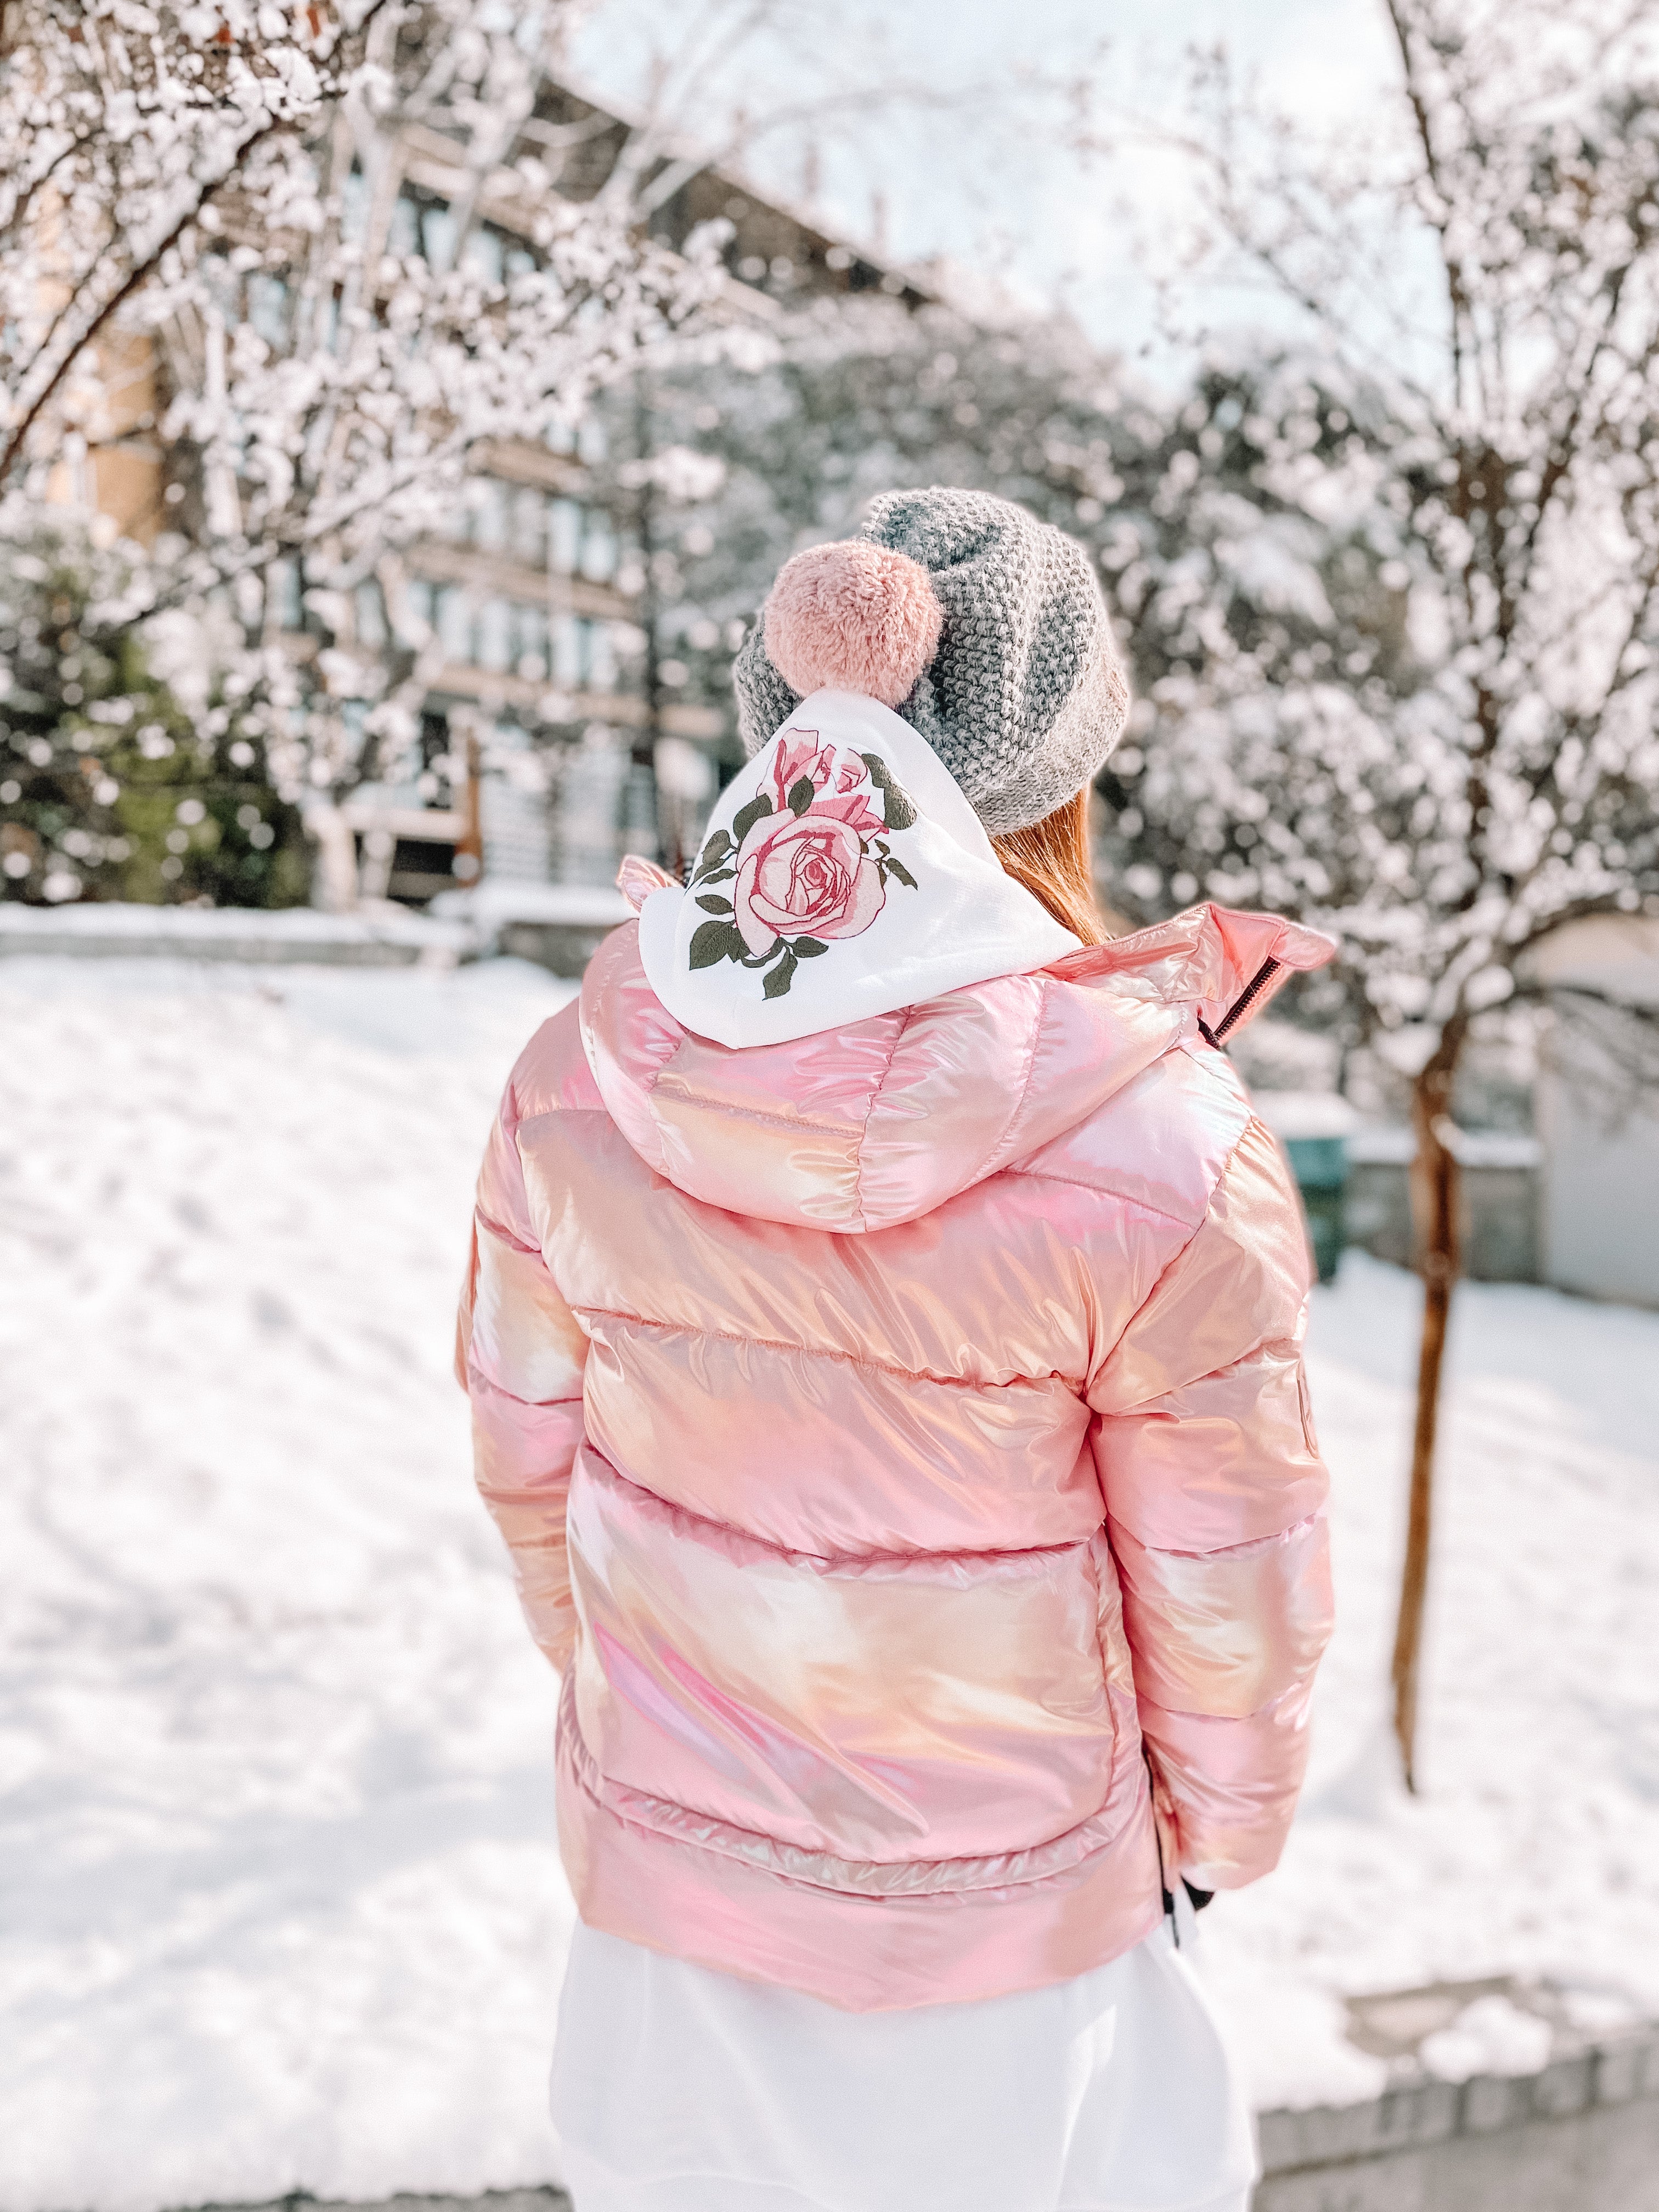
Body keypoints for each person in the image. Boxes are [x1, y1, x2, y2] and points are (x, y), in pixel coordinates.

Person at [458, 488, 1335, 2212]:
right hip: (1014, 1961)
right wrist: (1216, 1847)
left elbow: (529, 1466)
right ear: (1061, 766)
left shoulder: (581, 1068)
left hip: (669, 1951)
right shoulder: (1162, 1135)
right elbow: (1229, 1574)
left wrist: (654, 1730)